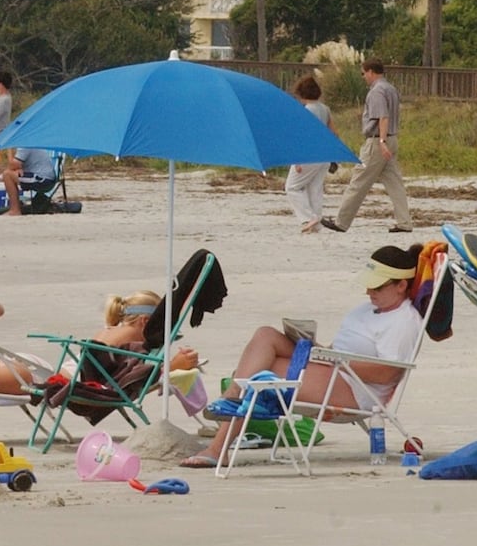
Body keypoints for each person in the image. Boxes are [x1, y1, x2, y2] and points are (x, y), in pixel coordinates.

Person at [180, 243, 424, 468]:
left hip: (356, 389)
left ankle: (218, 447)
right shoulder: (368, 309)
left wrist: (335, 360)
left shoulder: (403, 322)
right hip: (333, 367)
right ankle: (232, 397)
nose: (369, 290)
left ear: (401, 285)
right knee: (266, 336)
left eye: (378, 286)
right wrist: (318, 347)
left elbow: (387, 373)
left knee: (260, 377)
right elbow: (344, 345)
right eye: (369, 283)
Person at [0, 272, 200, 395]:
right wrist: (172, 365)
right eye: (157, 327)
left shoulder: (114, 332)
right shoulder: (124, 337)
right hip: (44, 378)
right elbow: (124, 381)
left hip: (45, 373)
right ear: (142, 321)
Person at [322, 59, 413, 234]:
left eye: (363, 73)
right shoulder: (391, 89)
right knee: (395, 183)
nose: (363, 77)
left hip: (378, 141)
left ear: (371, 72)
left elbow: (383, 117)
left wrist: (381, 142)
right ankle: (404, 222)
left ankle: (341, 222)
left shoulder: (377, 91)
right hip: (392, 139)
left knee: (359, 181)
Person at [284, 74, 336, 234]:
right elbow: (333, 132)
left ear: (301, 94)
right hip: (324, 155)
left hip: (309, 155)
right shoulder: (324, 109)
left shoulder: (306, 111)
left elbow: (301, 136)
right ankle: (316, 222)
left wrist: (297, 159)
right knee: (315, 189)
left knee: (292, 187)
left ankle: (308, 217)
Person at [2, 147, 57, 216]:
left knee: (7, 175)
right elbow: (16, 165)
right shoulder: (30, 144)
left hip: (42, 180)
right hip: (48, 179)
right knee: (10, 173)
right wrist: (17, 168)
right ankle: (16, 207)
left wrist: (9, 150)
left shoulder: (25, 147)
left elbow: (13, 165)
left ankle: (15, 210)